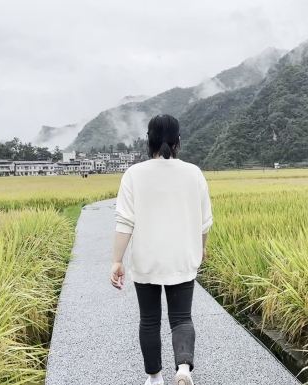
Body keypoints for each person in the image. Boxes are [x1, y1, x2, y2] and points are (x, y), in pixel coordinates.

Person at [110, 114, 213, 385]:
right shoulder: (194, 173)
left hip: (147, 260)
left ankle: (155, 377)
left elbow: (124, 222)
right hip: (181, 257)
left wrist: (116, 260)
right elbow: (204, 223)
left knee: (149, 320)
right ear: (178, 141)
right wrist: (201, 250)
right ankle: (182, 368)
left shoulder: (134, 174)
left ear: (149, 140)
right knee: (181, 317)